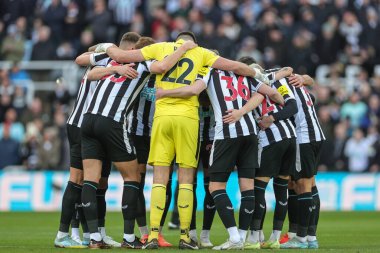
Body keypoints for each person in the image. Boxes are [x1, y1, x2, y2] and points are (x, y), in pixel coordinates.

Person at [98, 30, 270, 249]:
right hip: (188, 119)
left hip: (161, 118)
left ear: (177, 40)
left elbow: (122, 57)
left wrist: (105, 46)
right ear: (193, 42)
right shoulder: (202, 53)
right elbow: (236, 67)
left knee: (160, 178)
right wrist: (255, 73)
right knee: (186, 179)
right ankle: (185, 235)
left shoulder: (159, 48)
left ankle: (152, 235)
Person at [80, 37, 197, 249]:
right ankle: (130, 236)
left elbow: (87, 70)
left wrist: (110, 59)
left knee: (91, 179)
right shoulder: (144, 63)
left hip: (88, 120)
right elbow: (162, 65)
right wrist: (184, 48)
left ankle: (95, 238)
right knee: (133, 177)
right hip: (115, 123)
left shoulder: (110, 61)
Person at [156, 61, 284, 250]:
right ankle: (242, 236)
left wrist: (165, 92)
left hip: (226, 134)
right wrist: (245, 110)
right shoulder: (245, 74)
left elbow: (192, 91)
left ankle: (233, 236)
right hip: (250, 133)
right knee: (247, 187)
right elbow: (270, 94)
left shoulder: (208, 72)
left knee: (216, 187)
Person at [53, 32, 141, 249]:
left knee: (99, 182)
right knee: (79, 180)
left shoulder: (109, 60)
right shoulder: (106, 61)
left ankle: (94, 233)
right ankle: (67, 232)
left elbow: (84, 57)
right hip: (82, 124)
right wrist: (108, 50)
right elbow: (82, 59)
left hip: (95, 126)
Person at [236, 61, 297, 249]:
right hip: (291, 138)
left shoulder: (247, 85)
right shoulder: (279, 83)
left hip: (271, 140)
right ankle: (275, 238)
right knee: (281, 189)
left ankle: (254, 238)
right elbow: (292, 107)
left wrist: (270, 118)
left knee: (258, 188)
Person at [281, 74, 326, 249]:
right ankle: (311, 237)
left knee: (303, 185)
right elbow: (310, 79)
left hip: (304, 138)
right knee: (311, 185)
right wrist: (304, 79)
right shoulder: (297, 83)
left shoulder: (282, 87)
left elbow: (289, 108)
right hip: (317, 136)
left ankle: (301, 239)